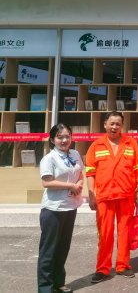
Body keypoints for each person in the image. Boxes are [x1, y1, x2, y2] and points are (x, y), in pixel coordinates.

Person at [86, 111, 138, 283]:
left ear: (122, 126)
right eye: (111, 123)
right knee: (105, 234)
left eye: (118, 124)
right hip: (104, 197)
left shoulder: (130, 143)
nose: (114, 127)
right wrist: (91, 195)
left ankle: (123, 265)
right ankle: (103, 268)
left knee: (125, 232)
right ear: (105, 124)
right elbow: (90, 173)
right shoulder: (96, 146)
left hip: (126, 195)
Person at [37, 123, 84, 293]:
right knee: (49, 250)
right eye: (60, 137)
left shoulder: (75, 154)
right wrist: (71, 186)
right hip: (53, 209)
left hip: (70, 207)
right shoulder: (49, 159)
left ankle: (58, 283)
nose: (64, 140)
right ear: (52, 140)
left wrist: (78, 185)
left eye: (67, 136)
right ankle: (45, 288)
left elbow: (80, 174)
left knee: (63, 248)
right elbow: (47, 182)